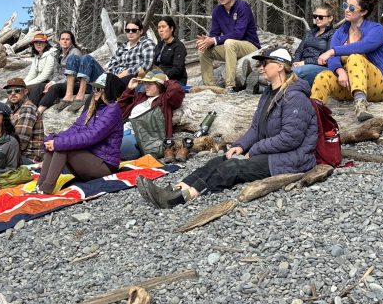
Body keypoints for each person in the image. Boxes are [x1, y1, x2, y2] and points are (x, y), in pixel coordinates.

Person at [136, 48, 317, 209]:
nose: (260, 67)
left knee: (232, 168)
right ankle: (176, 189)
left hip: (293, 159)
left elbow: (290, 139)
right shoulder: (269, 94)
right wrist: (240, 145)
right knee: (217, 161)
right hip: (272, 152)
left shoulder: (295, 97)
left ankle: (183, 197)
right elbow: (255, 128)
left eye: (265, 63)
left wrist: (253, 150)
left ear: (279, 66)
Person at [310, 0, 383, 122]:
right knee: (323, 76)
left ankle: (361, 104)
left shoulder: (376, 29)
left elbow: (364, 45)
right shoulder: (340, 32)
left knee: (355, 57)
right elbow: (333, 60)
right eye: (345, 6)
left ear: (363, 12)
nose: (346, 10)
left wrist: (333, 51)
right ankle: (313, 115)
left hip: (379, 84)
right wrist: (340, 72)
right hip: (349, 83)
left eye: (351, 7)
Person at [37, 73, 124, 193]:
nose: (95, 92)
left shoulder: (112, 110)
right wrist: (52, 139)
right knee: (55, 144)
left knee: (62, 146)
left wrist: (58, 143)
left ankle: (46, 189)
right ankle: (40, 186)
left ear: (108, 90)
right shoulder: (94, 108)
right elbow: (75, 129)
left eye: (98, 88)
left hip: (105, 164)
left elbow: (92, 136)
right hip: (90, 159)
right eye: (94, 88)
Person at [59, 19, 154, 112]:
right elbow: (112, 64)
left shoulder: (146, 44)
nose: (130, 32)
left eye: (133, 30)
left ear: (141, 31)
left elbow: (146, 64)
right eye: (127, 30)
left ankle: (80, 96)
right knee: (74, 58)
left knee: (88, 58)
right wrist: (117, 73)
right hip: (110, 78)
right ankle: (69, 95)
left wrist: (127, 71)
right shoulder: (123, 47)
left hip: (127, 82)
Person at [196, 0, 260, 91]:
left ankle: (230, 86)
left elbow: (238, 34)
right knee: (203, 49)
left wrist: (215, 40)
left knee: (229, 42)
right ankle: (209, 86)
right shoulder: (217, 11)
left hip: (251, 47)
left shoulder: (242, 7)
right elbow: (215, 34)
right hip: (231, 48)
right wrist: (207, 40)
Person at [116, 68, 186, 161]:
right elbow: (119, 109)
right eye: (145, 83)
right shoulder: (141, 96)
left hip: (142, 139)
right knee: (100, 145)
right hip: (125, 129)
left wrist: (166, 80)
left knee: (114, 148)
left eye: (150, 83)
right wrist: (129, 89)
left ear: (159, 85)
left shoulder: (164, 100)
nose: (146, 86)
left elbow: (176, 90)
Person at [291, 1, 337, 86]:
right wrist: (296, 62)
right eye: (315, 16)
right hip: (302, 65)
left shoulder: (334, 34)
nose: (317, 19)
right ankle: (262, 86)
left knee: (295, 73)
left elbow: (327, 58)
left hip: (321, 67)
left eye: (320, 17)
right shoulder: (309, 33)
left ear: (330, 18)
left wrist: (304, 62)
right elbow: (299, 50)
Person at [36, 31, 83, 113]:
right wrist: (53, 81)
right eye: (62, 39)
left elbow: (74, 76)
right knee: (40, 86)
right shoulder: (57, 54)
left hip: (75, 83)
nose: (65, 41)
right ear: (59, 41)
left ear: (71, 41)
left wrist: (55, 83)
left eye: (67, 39)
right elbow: (56, 73)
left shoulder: (75, 53)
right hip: (62, 82)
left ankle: (39, 112)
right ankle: (32, 108)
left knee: (55, 87)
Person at [3, 76, 43, 163]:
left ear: (25, 91)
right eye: (9, 91)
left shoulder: (28, 108)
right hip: (17, 153)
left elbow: (20, 142)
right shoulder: (12, 107)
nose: (13, 93)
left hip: (29, 158)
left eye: (17, 90)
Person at [153, 16, 188, 84]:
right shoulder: (159, 45)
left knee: (145, 89)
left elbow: (177, 69)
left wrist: (161, 77)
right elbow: (153, 64)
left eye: (163, 27)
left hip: (175, 81)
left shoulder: (178, 46)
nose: (160, 30)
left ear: (171, 28)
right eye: (159, 27)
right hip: (157, 78)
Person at [23, 33, 56, 104]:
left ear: (46, 44)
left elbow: (45, 75)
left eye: (41, 42)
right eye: (36, 42)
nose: (38, 44)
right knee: (17, 89)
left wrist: (27, 85)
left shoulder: (50, 56)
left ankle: (30, 108)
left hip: (49, 82)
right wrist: (22, 84)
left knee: (29, 89)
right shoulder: (37, 56)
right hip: (40, 81)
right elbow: (32, 74)